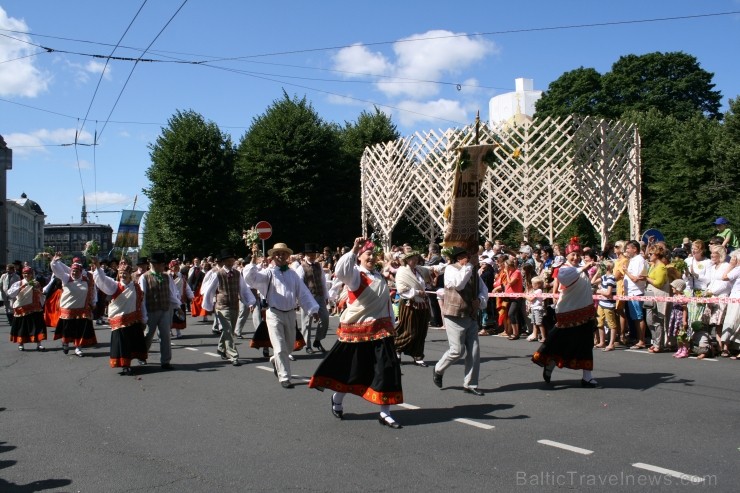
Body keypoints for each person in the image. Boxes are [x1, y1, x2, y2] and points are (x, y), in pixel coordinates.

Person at [309, 237, 404, 428]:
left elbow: (385, 302)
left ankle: (385, 413)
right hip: (357, 332)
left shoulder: (379, 276)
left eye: (373, 254)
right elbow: (341, 271)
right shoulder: (356, 276)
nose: (371, 257)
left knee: (386, 369)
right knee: (351, 371)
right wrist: (353, 249)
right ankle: (337, 399)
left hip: (381, 330)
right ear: (359, 258)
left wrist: (392, 323)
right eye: (367, 254)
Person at [244, 242, 319, 388]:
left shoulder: (293, 274)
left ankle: (275, 360)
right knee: (279, 346)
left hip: (290, 314)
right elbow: (251, 279)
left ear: (288, 256)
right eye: (277, 253)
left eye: (283, 253)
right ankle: (284, 377)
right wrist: (253, 261)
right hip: (274, 313)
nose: (280, 256)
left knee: (289, 346)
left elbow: (303, 293)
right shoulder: (268, 273)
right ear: (273, 256)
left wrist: (313, 309)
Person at [532, 240, 599, 387]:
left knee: (586, 344)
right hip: (568, 313)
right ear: (567, 256)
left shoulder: (581, 269)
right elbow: (567, 278)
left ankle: (587, 376)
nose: (575, 257)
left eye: (577, 254)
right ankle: (550, 362)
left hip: (585, 312)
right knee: (559, 342)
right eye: (572, 255)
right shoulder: (564, 269)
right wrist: (584, 268)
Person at [432, 246, 488, 396]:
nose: (469, 259)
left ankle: (470, 384)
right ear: (458, 258)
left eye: (470, 256)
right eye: (466, 256)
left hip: (470, 315)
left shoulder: (473, 272)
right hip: (454, 315)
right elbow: (458, 284)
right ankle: (438, 368)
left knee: (474, 352)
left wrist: (480, 301)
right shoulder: (451, 269)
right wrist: (469, 267)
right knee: (457, 351)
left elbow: (484, 290)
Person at [90, 257, 147, 375]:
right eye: (120, 273)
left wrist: (144, 318)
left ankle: (139, 358)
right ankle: (125, 364)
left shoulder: (136, 287)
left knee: (135, 341)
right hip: (120, 320)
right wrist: (98, 267)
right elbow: (102, 280)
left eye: (125, 273)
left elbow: (141, 303)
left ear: (130, 274)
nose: (122, 276)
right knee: (123, 344)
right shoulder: (115, 286)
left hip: (134, 319)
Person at [200, 249, 257, 367]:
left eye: (232, 260)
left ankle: (221, 348)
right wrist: (208, 305)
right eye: (228, 260)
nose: (231, 262)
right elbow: (210, 290)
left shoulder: (237, 273)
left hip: (234, 305)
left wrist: (250, 302)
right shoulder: (218, 274)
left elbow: (243, 289)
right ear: (224, 261)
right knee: (228, 330)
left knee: (229, 329)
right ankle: (233, 355)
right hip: (222, 306)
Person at [394, 250, 441, 366]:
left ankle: (418, 355)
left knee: (422, 331)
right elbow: (401, 289)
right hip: (410, 304)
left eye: (416, 258)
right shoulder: (402, 271)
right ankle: (397, 348)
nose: (415, 260)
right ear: (406, 260)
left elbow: (432, 269)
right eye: (412, 258)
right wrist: (416, 292)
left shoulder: (419, 269)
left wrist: (449, 264)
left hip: (423, 304)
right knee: (410, 331)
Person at [138, 252, 183, 370]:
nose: (162, 267)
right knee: (148, 335)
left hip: (165, 310)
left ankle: (165, 361)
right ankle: (142, 356)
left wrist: (178, 306)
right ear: (152, 264)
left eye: (163, 264)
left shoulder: (166, 276)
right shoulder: (144, 277)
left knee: (165, 336)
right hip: (151, 310)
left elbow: (172, 293)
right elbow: (142, 296)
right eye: (159, 264)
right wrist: (143, 315)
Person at [50, 255, 98, 356]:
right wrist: (54, 261)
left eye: (77, 271)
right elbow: (57, 270)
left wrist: (93, 302)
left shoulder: (86, 280)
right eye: (73, 271)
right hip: (68, 309)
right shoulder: (66, 278)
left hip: (81, 309)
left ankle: (78, 347)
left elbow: (92, 291)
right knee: (67, 329)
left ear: (81, 272)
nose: (74, 273)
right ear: (70, 271)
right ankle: (66, 343)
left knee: (79, 330)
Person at [296, 243, 330, 354]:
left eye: (313, 254)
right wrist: (300, 300)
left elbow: (323, 282)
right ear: (306, 255)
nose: (312, 256)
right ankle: (307, 345)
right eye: (310, 254)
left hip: (319, 296)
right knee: (307, 322)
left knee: (325, 319)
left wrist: (326, 296)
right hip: (308, 298)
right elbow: (299, 285)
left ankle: (318, 340)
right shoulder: (301, 267)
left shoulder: (319, 266)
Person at [7, 266, 47, 351]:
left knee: (37, 327)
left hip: (35, 308)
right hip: (22, 308)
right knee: (22, 327)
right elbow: (10, 293)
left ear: (31, 274)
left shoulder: (36, 283)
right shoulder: (19, 283)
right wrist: (22, 286)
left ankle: (39, 344)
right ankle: (21, 344)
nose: (27, 275)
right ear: (22, 274)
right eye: (25, 273)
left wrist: (39, 292)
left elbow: (41, 294)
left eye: (28, 273)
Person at [623, 240, 649, 349]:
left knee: (639, 317)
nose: (627, 250)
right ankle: (639, 339)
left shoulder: (639, 260)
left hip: (636, 292)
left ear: (635, 249)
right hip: (630, 292)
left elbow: (636, 278)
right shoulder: (632, 260)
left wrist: (626, 271)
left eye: (628, 248)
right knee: (635, 317)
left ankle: (641, 340)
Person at [596, 260, 618, 351]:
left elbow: (608, 293)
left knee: (611, 323)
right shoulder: (604, 277)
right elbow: (592, 281)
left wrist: (599, 291)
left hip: (608, 304)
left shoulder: (611, 278)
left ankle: (611, 343)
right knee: (599, 322)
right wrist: (598, 271)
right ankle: (602, 342)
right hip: (601, 303)